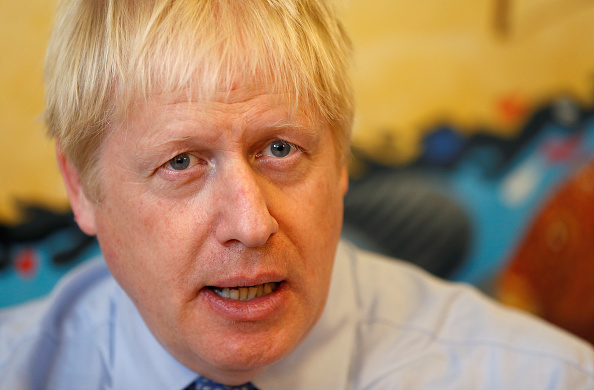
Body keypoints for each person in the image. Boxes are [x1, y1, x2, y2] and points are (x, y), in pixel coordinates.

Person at [1, 0, 593, 389]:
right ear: (81, 187)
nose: (251, 224)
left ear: (339, 163)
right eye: (181, 162)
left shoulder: (539, 378)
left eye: (280, 150)